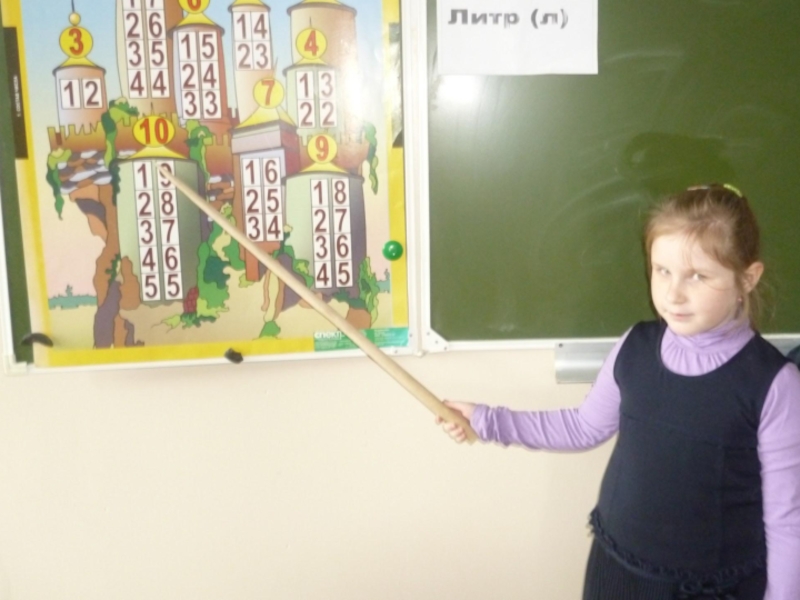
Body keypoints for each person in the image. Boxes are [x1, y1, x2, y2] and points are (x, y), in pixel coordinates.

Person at [438, 184, 800, 600]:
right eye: (662, 270)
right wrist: (486, 420)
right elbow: (581, 427)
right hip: (618, 571)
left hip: (711, 586)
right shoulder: (636, 347)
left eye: (698, 276)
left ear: (747, 279)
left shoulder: (774, 384)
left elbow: (787, 520)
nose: (673, 293)